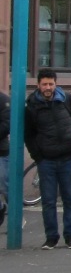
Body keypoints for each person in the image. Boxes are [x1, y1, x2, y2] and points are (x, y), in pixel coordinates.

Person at [25, 69, 71, 250]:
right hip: (47, 161)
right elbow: (28, 136)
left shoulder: (65, 99)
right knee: (48, 201)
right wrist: (38, 157)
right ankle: (51, 238)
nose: (48, 87)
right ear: (38, 85)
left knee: (70, 198)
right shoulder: (31, 107)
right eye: (45, 84)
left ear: (56, 84)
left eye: (51, 84)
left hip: (68, 158)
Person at [0, 90, 10, 227]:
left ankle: (16, 217)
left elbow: (6, 124)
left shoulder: (3, 100)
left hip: (1, 150)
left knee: (5, 185)